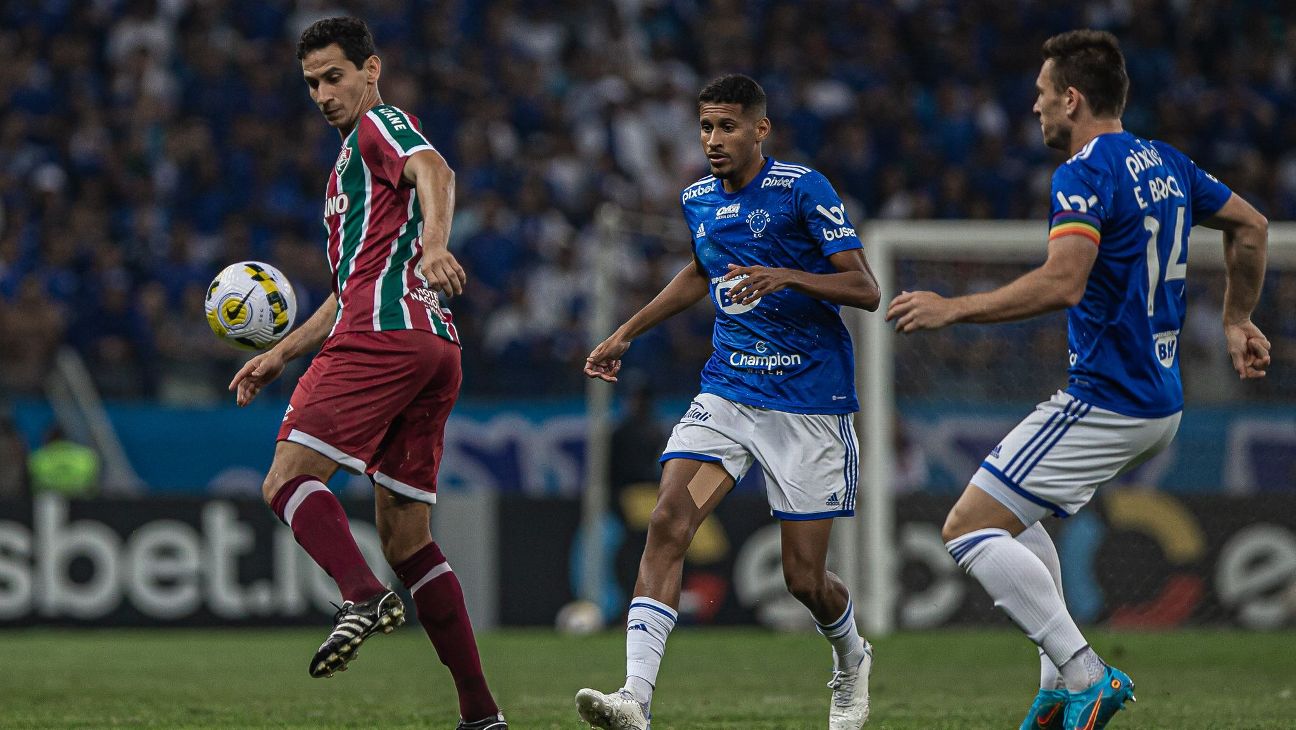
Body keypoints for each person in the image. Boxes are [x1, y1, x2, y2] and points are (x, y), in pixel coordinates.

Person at [886, 30, 1270, 730]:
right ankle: (1058, 688)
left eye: (1040, 95)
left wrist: (954, 308)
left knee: (966, 529)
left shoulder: (1085, 172)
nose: (1033, 108)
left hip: (1108, 397)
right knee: (1011, 514)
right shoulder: (1168, 161)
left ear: (1072, 97)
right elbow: (1250, 226)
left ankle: (1085, 672)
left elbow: (1064, 284)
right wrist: (1240, 318)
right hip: (1157, 395)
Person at [576, 74, 881, 730]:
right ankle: (635, 697)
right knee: (667, 522)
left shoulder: (803, 189)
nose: (713, 139)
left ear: (760, 129)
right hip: (730, 394)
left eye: (728, 127)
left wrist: (788, 275)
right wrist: (626, 332)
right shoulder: (697, 199)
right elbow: (698, 271)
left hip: (808, 403)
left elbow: (865, 287)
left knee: (805, 580)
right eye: (706, 126)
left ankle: (851, 656)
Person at [227, 17, 505, 730]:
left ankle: (358, 595)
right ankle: (482, 714)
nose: (323, 93)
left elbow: (436, 170)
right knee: (409, 540)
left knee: (287, 478)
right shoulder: (350, 164)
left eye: (334, 75)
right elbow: (354, 283)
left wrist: (438, 244)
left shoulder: (383, 124)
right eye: (312, 82)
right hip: (432, 348)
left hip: (383, 337)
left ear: (370, 69)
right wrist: (283, 351)